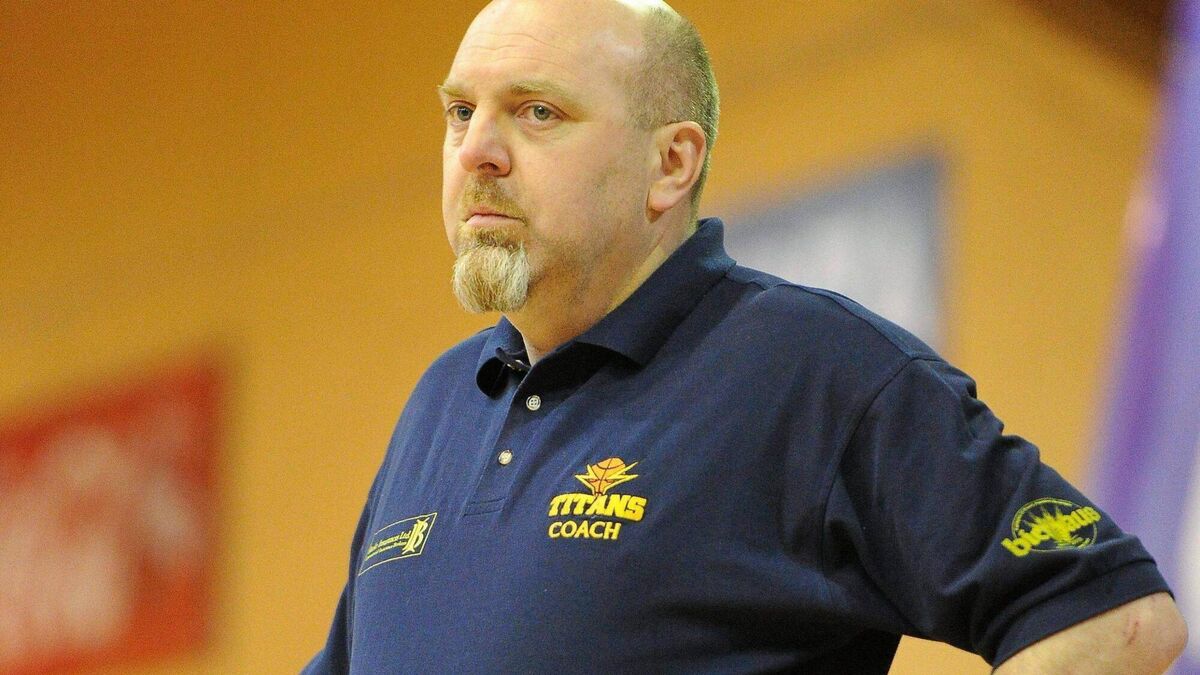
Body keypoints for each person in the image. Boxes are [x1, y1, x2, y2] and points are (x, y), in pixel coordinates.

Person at [304, 0, 1188, 672]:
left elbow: (1119, 618)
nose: (477, 152)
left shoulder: (813, 368)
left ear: (670, 163)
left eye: (537, 112)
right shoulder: (440, 402)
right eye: (461, 112)